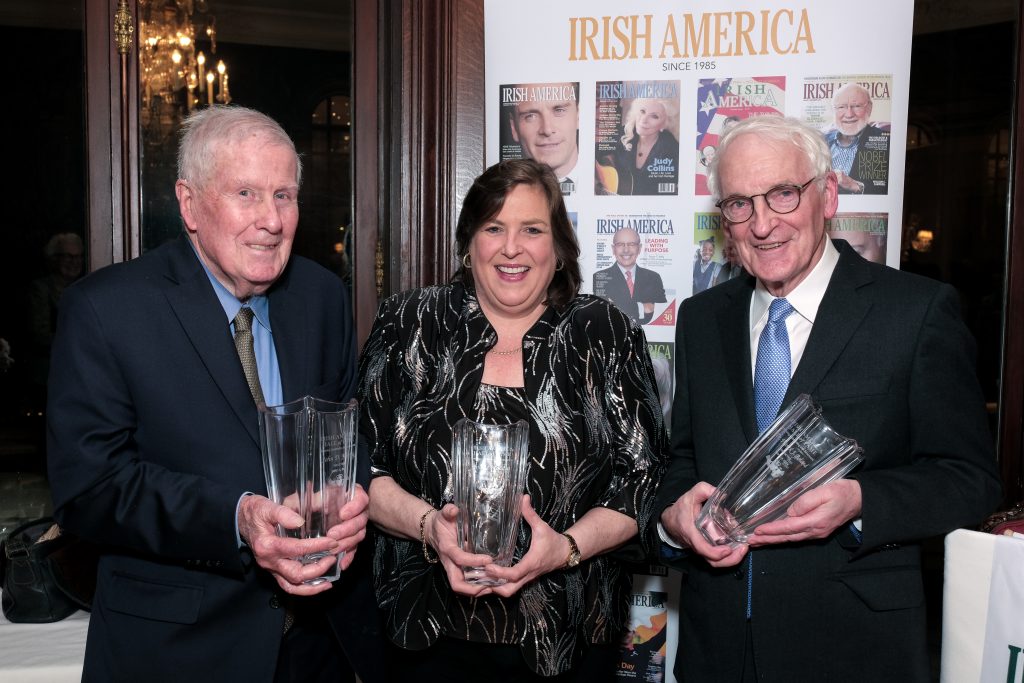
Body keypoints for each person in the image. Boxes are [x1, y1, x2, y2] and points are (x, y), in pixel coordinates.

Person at [656, 116, 1001, 682]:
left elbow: (969, 478)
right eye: (739, 204)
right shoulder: (702, 319)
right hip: (716, 649)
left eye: (783, 195)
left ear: (829, 194)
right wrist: (675, 518)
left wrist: (861, 500)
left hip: (853, 649)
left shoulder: (915, 312)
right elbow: (685, 460)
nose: (762, 224)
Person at [46, 106, 382, 683]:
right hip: (177, 653)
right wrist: (237, 519)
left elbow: (350, 435)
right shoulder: (107, 310)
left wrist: (352, 500)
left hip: (319, 649)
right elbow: (90, 487)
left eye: (284, 195)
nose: (271, 220)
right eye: (246, 193)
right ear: (189, 203)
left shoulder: (322, 298)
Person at [358, 158, 666, 680]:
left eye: (532, 230)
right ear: (468, 241)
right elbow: (362, 467)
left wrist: (564, 549)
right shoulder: (408, 323)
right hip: (423, 634)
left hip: (568, 637)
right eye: (493, 228)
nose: (511, 248)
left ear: (560, 247)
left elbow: (644, 479)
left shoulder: (604, 332)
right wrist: (431, 527)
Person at [27, 232, 84, 403]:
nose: (75, 262)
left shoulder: (87, 285)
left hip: (81, 372)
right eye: (68, 256)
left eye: (79, 256)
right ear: (54, 259)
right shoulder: (40, 289)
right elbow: (39, 335)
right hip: (50, 375)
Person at [507, 82, 579, 193]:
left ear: (578, 116)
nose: (547, 130)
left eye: (559, 110)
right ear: (513, 127)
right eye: (530, 116)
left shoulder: (608, 185)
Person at [592, 227, 667, 324]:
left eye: (631, 244)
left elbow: (661, 312)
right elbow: (605, 311)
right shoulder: (600, 277)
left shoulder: (654, 277)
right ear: (613, 249)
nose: (626, 250)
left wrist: (619, 304)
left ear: (639, 248)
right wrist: (643, 307)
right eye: (620, 244)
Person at [825, 84, 890, 195]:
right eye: (841, 107)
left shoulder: (885, 142)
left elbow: (888, 190)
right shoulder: (820, 142)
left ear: (869, 108)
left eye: (857, 106)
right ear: (833, 111)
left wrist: (854, 186)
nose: (849, 114)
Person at [611, 97, 680, 195]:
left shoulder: (672, 148)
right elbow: (594, 153)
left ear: (664, 124)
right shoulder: (624, 132)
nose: (643, 120)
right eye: (642, 111)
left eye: (654, 116)